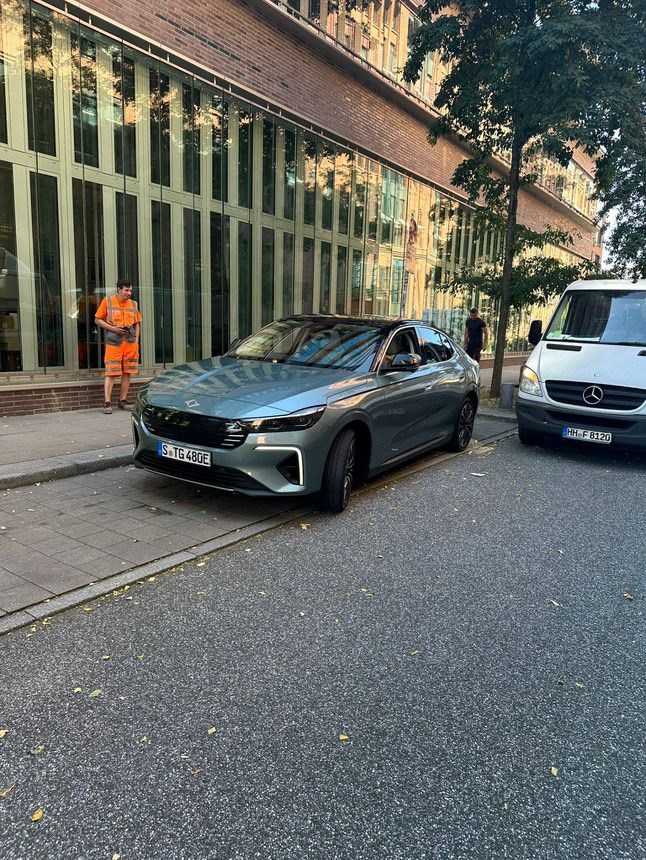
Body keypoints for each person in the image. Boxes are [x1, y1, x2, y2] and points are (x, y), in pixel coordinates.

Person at [94, 280, 142, 414]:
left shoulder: (133, 304)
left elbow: (137, 323)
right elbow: (97, 319)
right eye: (126, 290)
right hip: (114, 342)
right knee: (110, 372)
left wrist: (136, 341)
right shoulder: (108, 301)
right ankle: (107, 403)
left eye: (130, 290)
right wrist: (113, 329)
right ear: (119, 290)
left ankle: (123, 401)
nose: (129, 293)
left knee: (127, 372)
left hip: (130, 343)